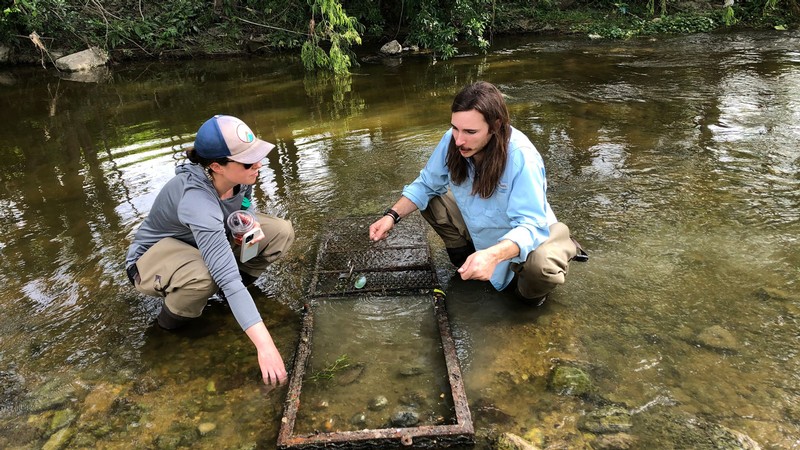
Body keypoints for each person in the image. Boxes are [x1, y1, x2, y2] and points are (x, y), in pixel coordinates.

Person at [369, 81, 586, 304]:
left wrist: (492, 255)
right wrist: (391, 216)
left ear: (495, 125)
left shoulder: (523, 157)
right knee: (431, 198)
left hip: (530, 237)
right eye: (455, 127)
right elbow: (426, 184)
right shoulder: (454, 140)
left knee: (542, 267)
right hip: (485, 227)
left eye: (470, 132)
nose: (459, 140)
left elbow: (530, 226)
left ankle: (527, 296)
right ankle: (465, 259)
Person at [125, 115, 295, 386]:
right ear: (217, 166)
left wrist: (246, 222)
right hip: (152, 258)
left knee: (280, 232)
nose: (258, 165)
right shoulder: (196, 200)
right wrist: (266, 346)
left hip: (201, 243)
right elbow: (225, 276)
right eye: (249, 162)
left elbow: (245, 204)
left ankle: (235, 302)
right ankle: (169, 326)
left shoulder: (242, 176)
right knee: (209, 276)